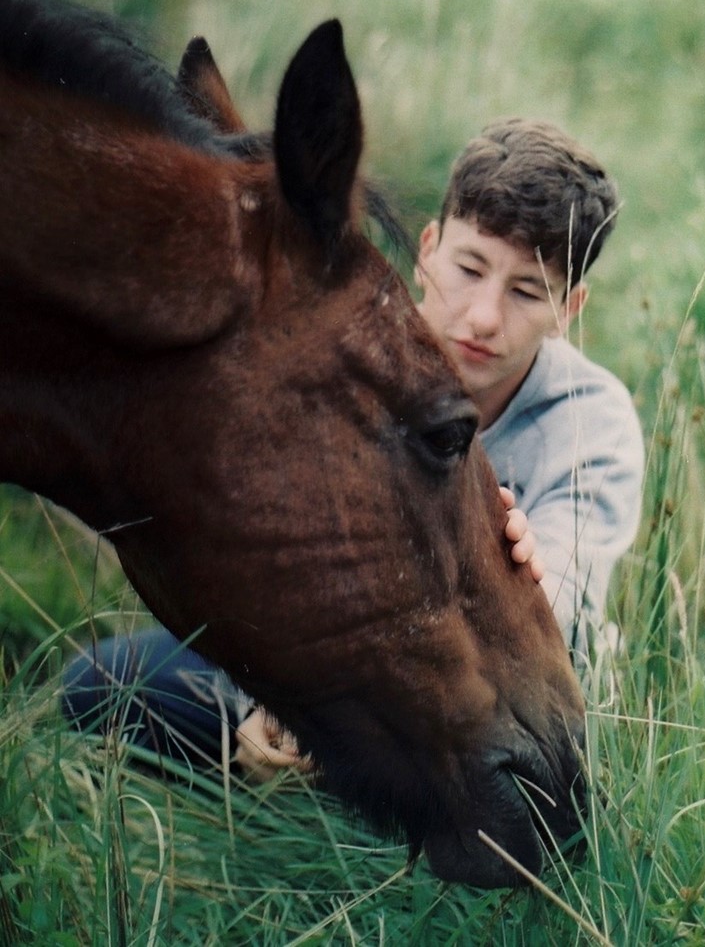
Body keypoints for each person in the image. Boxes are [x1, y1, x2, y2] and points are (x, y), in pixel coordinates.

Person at [61, 117, 644, 779]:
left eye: (526, 291)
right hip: (330, 665)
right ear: (427, 251)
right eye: (470, 268)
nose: (484, 316)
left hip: (487, 697)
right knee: (103, 684)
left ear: (570, 308)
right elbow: (276, 572)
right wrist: (279, 697)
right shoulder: (353, 362)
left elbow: (563, 604)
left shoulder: (591, 421)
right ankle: (296, 781)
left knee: (531, 787)